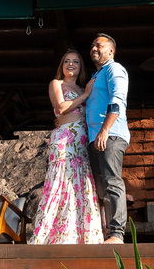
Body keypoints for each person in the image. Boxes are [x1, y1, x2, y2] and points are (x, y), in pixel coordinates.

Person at [28, 49, 105, 244]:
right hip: (64, 140)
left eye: (76, 62)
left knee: (79, 185)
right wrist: (86, 94)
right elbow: (61, 108)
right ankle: (53, 236)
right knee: (61, 182)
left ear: (81, 67)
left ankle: (78, 236)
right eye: (67, 61)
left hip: (82, 143)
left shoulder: (83, 89)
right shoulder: (57, 84)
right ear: (61, 66)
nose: (71, 64)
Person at [86, 33, 130, 244]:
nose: (94, 48)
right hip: (95, 138)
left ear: (111, 51)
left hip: (110, 134)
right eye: (92, 46)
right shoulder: (95, 77)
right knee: (101, 188)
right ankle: (106, 233)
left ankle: (117, 234)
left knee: (112, 182)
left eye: (99, 45)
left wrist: (104, 130)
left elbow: (117, 99)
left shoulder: (114, 69)